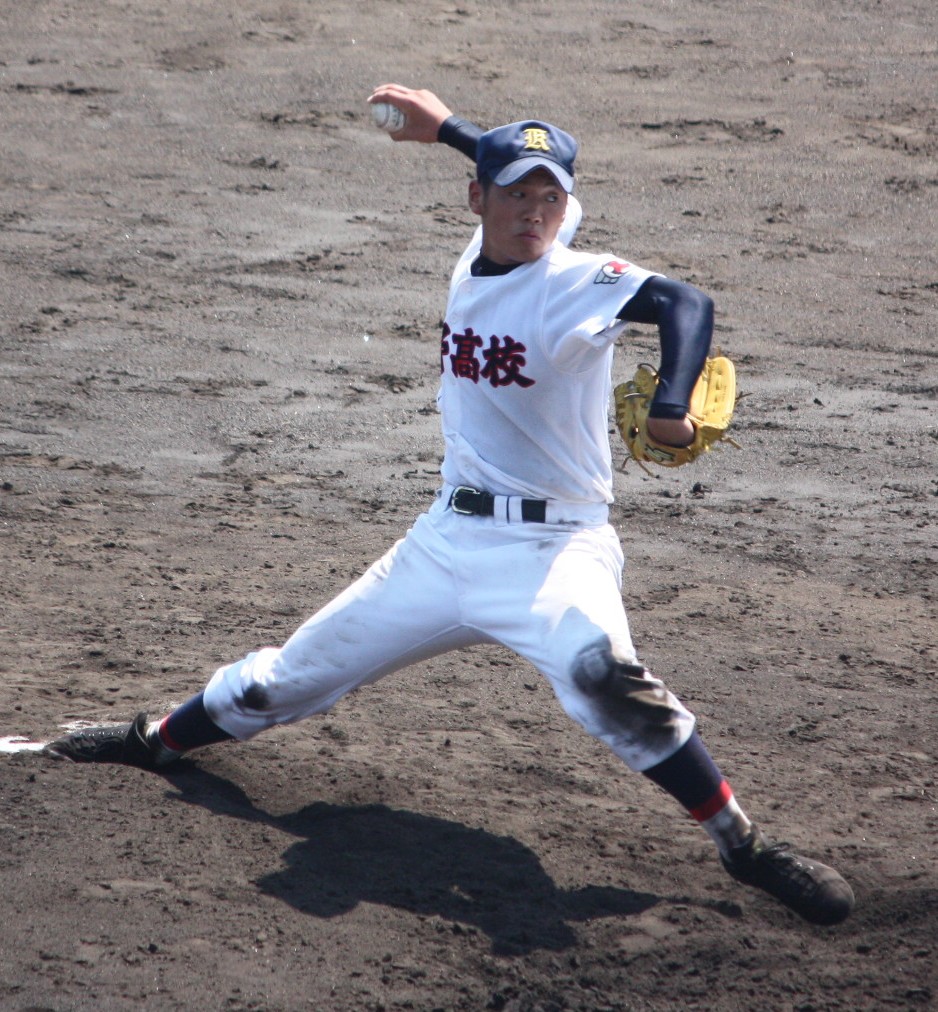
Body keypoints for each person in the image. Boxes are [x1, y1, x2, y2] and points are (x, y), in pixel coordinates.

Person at [45, 85, 854, 926]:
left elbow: (686, 302)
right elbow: (498, 163)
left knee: (603, 679)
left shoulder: (575, 281)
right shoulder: (481, 248)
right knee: (283, 683)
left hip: (555, 555)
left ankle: (745, 848)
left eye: (552, 197)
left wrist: (670, 402)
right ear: (479, 200)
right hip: (444, 543)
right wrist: (446, 131)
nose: (535, 213)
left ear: (568, 207)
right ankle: (156, 742)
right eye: (517, 194)